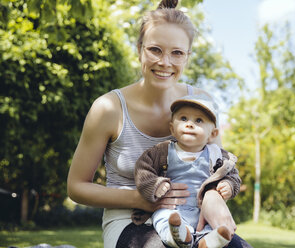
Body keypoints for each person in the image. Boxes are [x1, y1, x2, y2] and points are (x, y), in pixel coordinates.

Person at [67, 0, 253, 247]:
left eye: (177, 53)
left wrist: (212, 196)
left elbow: (215, 166)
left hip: (193, 218)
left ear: (187, 57)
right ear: (139, 49)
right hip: (131, 219)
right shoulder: (109, 108)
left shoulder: (203, 103)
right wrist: (140, 199)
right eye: (155, 50)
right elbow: (76, 187)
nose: (165, 62)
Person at [134, 94, 241, 247]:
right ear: (172, 127)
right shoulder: (162, 151)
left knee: (214, 224)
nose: (190, 124)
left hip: (203, 212)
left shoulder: (216, 154)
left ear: (213, 134)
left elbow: (232, 174)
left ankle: (209, 242)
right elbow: (143, 169)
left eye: (198, 120)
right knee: (163, 218)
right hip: (171, 208)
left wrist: (229, 185)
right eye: (183, 118)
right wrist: (155, 184)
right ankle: (179, 236)